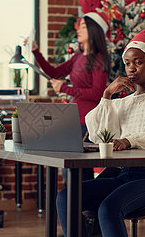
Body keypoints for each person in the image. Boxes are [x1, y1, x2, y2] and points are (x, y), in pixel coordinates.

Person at [56, 28, 145, 237]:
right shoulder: (122, 103)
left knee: (108, 208)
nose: (131, 68)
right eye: (127, 63)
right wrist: (106, 96)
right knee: (66, 197)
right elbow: (99, 133)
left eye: (138, 62)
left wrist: (128, 140)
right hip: (124, 175)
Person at [27, 11, 111, 183]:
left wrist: (66, 88)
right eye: (79, 26)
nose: (78, 30)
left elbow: (98, 94)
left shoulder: (100, 59)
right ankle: (81, 207)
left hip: (87, 120)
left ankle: (81, 206)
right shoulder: (78, 56)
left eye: (83, 26)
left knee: (75, 170)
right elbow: (55, 72)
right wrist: (36, 52)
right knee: (71, 170)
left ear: (94, 31)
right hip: (73, 118)